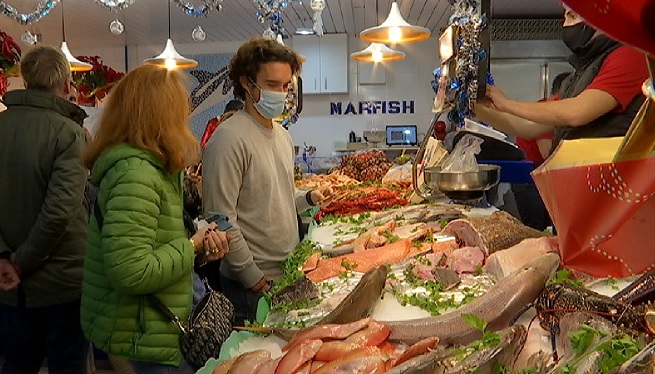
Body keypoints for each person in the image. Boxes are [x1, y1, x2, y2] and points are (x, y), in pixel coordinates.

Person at [80, 65, 230, 373]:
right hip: (146, 336)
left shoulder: (152, 169)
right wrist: (191, 246)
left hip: (154, 328)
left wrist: (199, 250)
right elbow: (131, 270)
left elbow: (153, 243)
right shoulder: (136, 175)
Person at [203, 37, 329, 325]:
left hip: (289, 271)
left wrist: (307, 198)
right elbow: (220, 219)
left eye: (286, 86)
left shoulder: (282, 135)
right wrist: (254, 279)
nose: (281, 94)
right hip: (252, 286)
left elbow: (275, 196)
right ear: (247, 83)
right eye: (272, 85)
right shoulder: (228, 139)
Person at [0, 45, 89, 374]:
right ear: (66, 84)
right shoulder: (69, 133)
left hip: (9, 286)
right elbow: (60, 212)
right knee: (68, 365)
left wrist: (4, 259)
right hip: (61, 283)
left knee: (17, 364)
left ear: (24, 80)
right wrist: (21, 262)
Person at [475, 7, 650, 154]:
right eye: (565, 15)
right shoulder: (581, 75)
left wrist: (507, 103)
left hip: (611, 182)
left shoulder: (631, 55)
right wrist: (471, 106)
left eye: (573, 15)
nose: (566, 23)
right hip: (585, 182)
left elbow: (578, 112)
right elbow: (527, 126)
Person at [511, 73, 570, 230]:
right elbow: (547, 154)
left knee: (545, 231)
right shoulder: (547, 113)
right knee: (536, 230)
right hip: (529, 182)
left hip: (535, 180)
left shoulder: (544, 109)